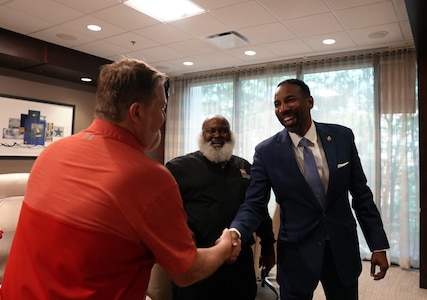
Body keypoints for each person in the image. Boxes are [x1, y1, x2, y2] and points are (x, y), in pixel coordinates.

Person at [0, 58, 240, 299]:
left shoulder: (51, 153)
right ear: (137, 112)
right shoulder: (150, 177)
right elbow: (187, 271)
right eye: (162, 109)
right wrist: (225, 245)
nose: (163, 118)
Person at [230, 79, 390, 300]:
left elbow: (361, 194)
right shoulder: (266, 152)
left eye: (289, 100)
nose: (282, 108)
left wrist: (378, 245)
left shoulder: (342, 138)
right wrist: (236, 231)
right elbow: (254, 203)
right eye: (277, 104)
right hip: (297, 253)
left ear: (310, 102)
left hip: (341, 249)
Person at [165, 115, 276, 300]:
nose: (217, 135)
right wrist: (183, 230)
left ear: (230, 134)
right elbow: (164, 210)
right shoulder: (179, 168)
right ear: (203, 134)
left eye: (223, 130)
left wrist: (268, 247)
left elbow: (259, 209)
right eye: (211, 131)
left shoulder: (245, 167)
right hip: (198, 259)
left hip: (239, 261)